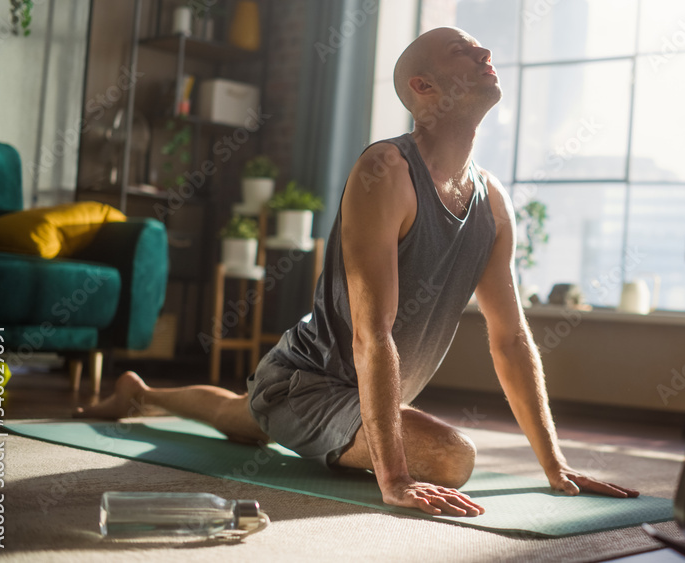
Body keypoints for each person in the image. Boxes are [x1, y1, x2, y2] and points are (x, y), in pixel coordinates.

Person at [77, 27, 639, 518]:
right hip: (308, 382)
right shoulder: (385, 172)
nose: (485, 50)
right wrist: (393, 479)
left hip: (345, 391)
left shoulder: (493, 204)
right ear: (424, 88)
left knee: (245, 414)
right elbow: (374, 332)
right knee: (451, 457)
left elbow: (511, 338)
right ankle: (158, 396)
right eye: (462, 50)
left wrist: (555, 467)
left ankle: (141, 392)